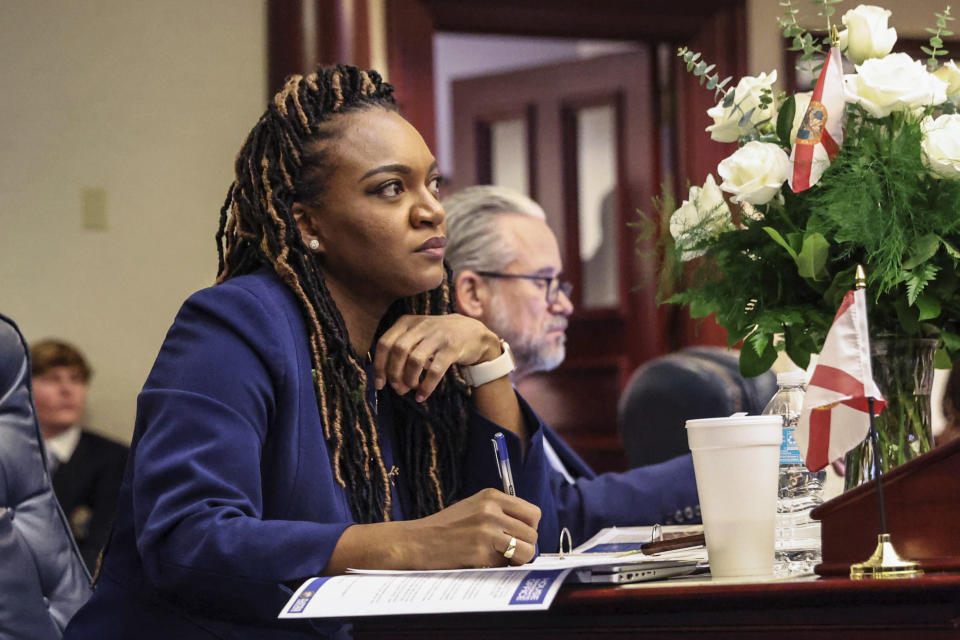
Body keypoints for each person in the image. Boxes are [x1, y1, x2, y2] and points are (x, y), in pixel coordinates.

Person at [63, 65, 558, 639]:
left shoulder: (419, 345)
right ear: (307, 223)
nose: (431, 210)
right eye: (390, 188)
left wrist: (489, 361)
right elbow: (187, 540)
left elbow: (523, 535)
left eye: (432, 183)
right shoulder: (234, 324)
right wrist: (412, 542)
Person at [443, 185, 700, 545]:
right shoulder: (445, 402)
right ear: (472, 293)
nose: (565, 305)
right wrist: (712, 470)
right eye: (544, 282)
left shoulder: (509, 394)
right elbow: (553, 522)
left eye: (560, 284)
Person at [30, 339, 128, 573]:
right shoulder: (8, 455)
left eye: (76, 379)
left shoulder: (115, 459)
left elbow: (102, 546)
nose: (67, 390)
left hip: (75, 590)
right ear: (24, 388)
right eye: (52, 379)